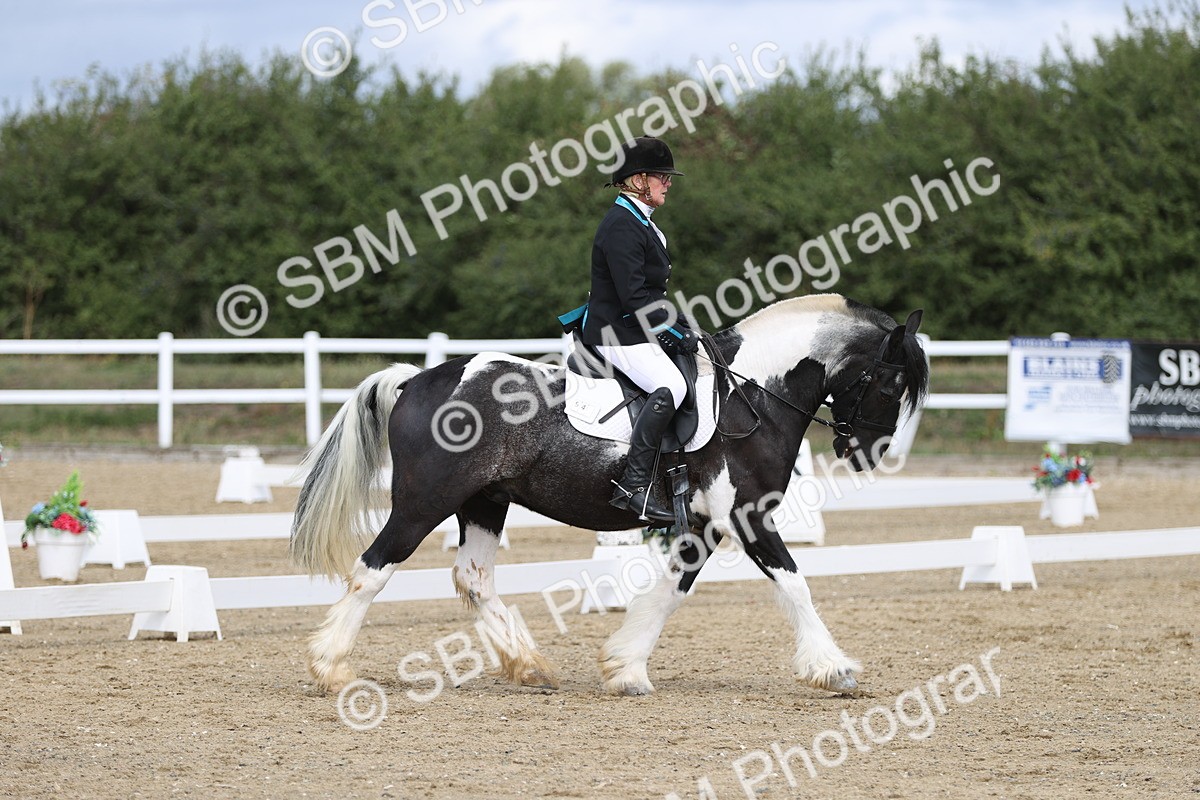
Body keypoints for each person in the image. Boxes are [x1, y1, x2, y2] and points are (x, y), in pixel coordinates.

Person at [581, 136, 699, 522]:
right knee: (673, 387)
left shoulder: (643, 224)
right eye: (662, 176)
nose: (669, 183)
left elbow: (652, 292)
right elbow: (633, 296)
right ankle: (632, 486)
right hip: (614, 332)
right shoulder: (621, 226)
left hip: (635, 327)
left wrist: (683, 324)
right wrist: (672, 333)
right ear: (638, 179)